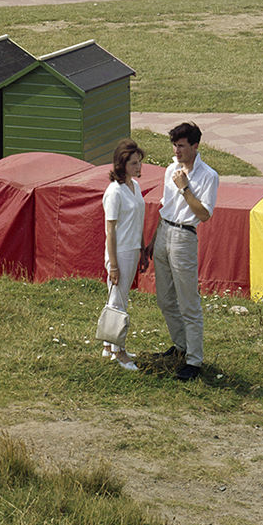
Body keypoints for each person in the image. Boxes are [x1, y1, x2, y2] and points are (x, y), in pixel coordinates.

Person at [150, 122, 218, 382]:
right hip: (164, 231)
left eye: (181, 146)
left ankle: (194, 361)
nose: (176, 151)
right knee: (165, 299)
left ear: (195, 146)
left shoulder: (208, 176)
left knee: (188, 302)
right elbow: (165, 206)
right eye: (174, 145)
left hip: (184, 236)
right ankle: (180, 347)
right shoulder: (170, 169)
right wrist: (154, 239)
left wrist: (185, 187)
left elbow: (204, 214)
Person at [100, 139, 146, 372]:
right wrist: (114, 265)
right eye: (134, 163)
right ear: (122, 164)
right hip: (120, 252)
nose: (139, 167)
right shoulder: (114, 192)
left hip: (133, 248)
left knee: (118, 297)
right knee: (119, 301)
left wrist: (143, 246)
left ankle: (109, 346)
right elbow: (110, 229)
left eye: (139, 162)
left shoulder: (134, 186)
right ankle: (119, 351)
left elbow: (137, 218)